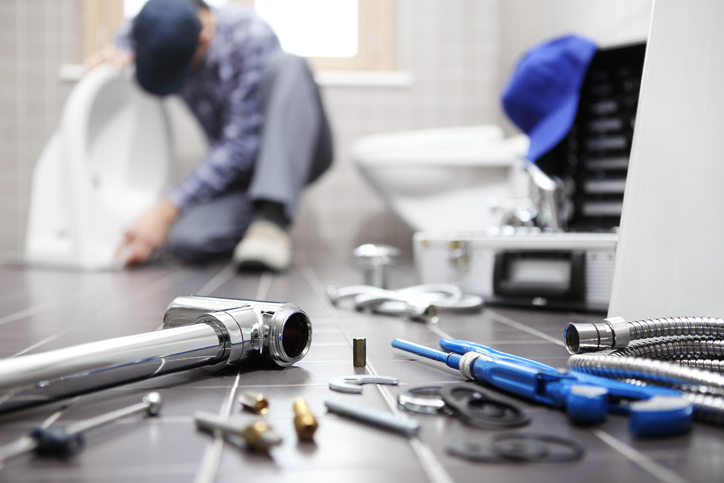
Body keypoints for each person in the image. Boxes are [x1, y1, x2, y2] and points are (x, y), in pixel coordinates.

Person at [88, 0, 333, 272]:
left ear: (205, 37)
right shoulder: (157, 27)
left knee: (289, 66)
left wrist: (165, 210)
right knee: (187, 241)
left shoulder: (249, 34)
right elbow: (131, 29)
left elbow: (242, 145)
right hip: (240, 175)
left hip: (296, 147)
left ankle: (271, 222)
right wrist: (119, 48)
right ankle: (256, 224)